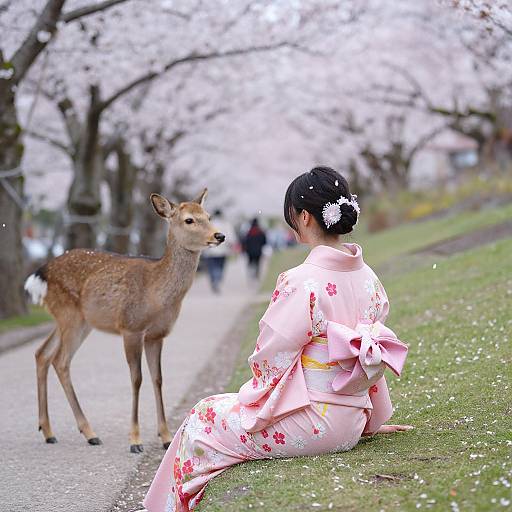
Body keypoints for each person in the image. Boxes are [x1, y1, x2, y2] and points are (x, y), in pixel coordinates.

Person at [143, 166, 413, 512]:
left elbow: (271, 357)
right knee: (214, 414)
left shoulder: (302, 280)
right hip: (353, 418)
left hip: (316, 424)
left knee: (202, 417)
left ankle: (167, 507)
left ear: (303, 217)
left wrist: (253, 399)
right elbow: (368, 353)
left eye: (292, 216)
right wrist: (369, 416)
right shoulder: (368, 277)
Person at [202, 209, 235, 294]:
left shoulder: (208, 224)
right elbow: (231, 237)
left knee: (211, 267)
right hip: (222, 251)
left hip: (210, 251)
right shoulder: (226, 224)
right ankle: (217, 279)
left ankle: (214, 280)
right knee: (220, 267)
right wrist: (231, 245)